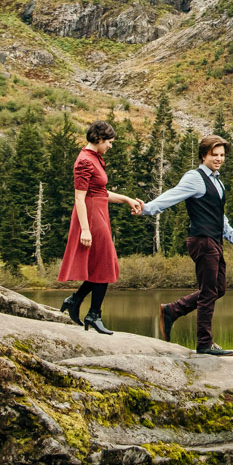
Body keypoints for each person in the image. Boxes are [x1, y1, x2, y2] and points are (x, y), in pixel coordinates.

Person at [145, 134, 233, 356]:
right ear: (203, 155)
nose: (219, 159)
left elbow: (219, 215)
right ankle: (204, 343)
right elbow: (172, 196)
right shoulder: (195, 177)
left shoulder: (218, 181)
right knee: (209, 291)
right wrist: (147, 208)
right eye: (214, 155)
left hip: (214, 240)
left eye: (222, 155)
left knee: (218, 289)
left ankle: (172, 310)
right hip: (202, 240)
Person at [57, 119, 143, 334]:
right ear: (99, 139)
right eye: (110, 142)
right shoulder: (85, 161)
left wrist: (125, 199)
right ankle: (93, 314)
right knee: (105, 265)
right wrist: (85, 229)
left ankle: (75, 300)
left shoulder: (94, 158)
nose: (111, 146)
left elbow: (101, 193)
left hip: (99, 212)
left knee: (100, 266)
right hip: (91, 216)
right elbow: (79, 198)